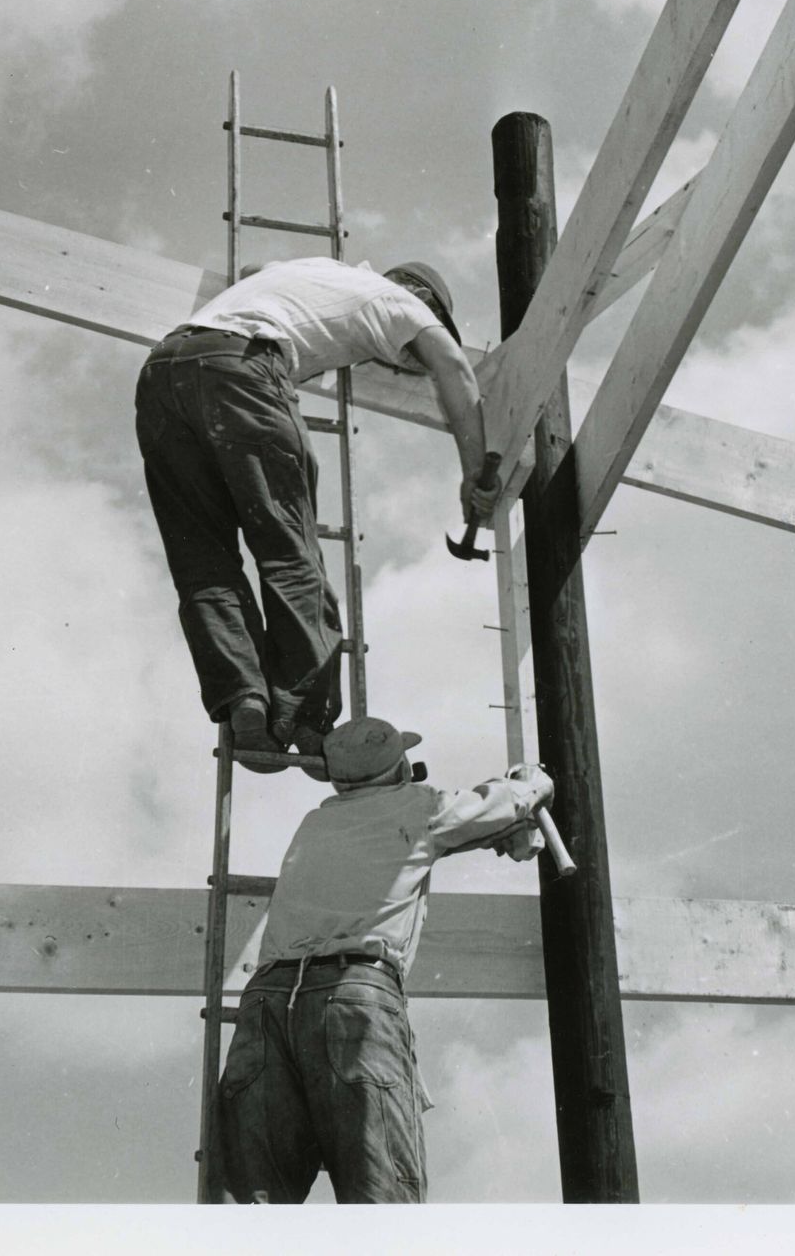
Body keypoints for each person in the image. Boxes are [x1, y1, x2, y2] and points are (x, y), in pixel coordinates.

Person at [136, 257, 491, 764]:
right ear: (423, 300)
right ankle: (304, 717)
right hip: (244, 371)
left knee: (202, 559)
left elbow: (253, 268)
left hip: (161, 373)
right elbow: (452, 366)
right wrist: (474, 471)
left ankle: (244, 699)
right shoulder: (401, 303)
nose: (407, 363)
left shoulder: (322, 269)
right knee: (288, 550)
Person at [216, 716, 553, 1204]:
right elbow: (501, 803)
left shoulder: (315, 823)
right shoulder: (419, 806)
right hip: (353, 998)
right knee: (382, 1194)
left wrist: (494, 833)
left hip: (267, 1002)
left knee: (252, 1203)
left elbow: (416, 840)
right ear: (400, 769)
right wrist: (533, 781)